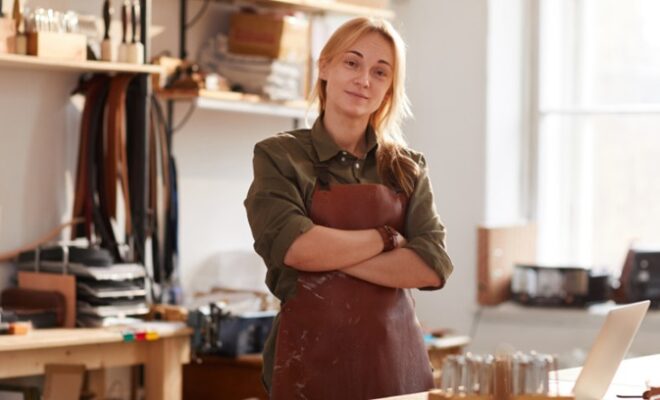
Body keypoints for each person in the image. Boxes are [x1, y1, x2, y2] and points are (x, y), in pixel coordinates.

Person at [244, 16, 454, 400]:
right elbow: (296, 248)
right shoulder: (279, 156)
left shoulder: (407, 167)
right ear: (324, 66)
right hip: (307, 365)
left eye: (380, 72)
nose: (364, 80)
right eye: (352, 63)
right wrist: (388, 238)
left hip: (395, 367)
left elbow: (431, 264)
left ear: (390, 88)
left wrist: (329, 254)